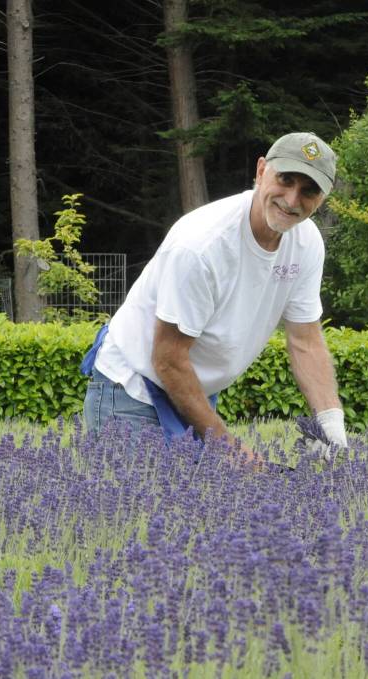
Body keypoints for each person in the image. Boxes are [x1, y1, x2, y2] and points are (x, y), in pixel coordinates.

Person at [82, 132, 348, 467]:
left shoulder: (306, 243)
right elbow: (168, 359)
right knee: (139, 512)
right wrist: (231, 452)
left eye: (309, 190)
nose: (292, 200)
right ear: (262, 170)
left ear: (322, 198)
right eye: (286, 179)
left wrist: (330, 422)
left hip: (192, 390)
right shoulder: (202, 245)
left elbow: (306, 340)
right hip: (134, 389)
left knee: (198, 513)